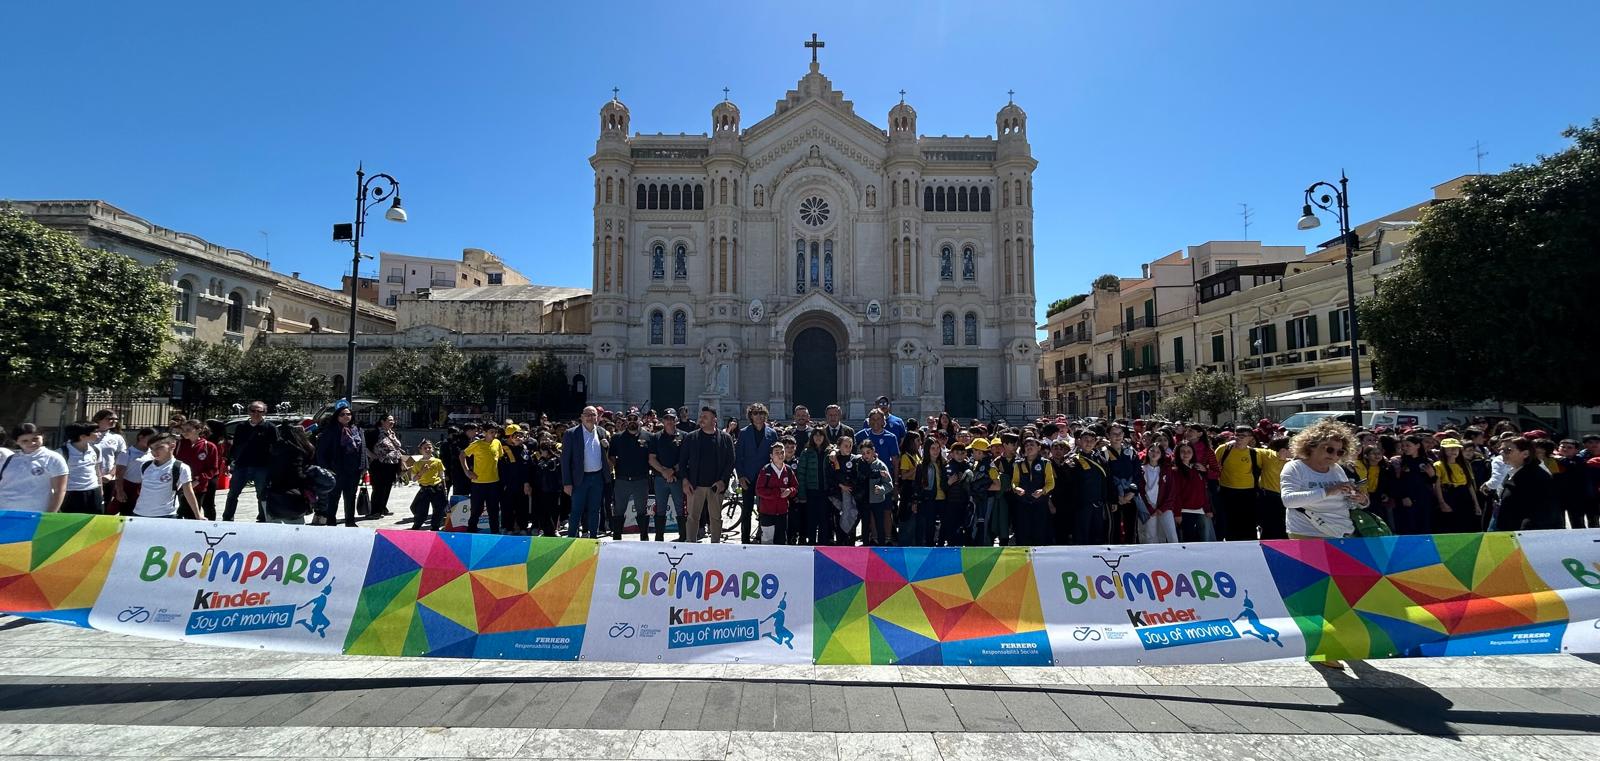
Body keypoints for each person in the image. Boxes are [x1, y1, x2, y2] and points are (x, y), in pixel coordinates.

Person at [1280, 419, 1367, 544]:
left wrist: (1361, 500)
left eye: (1340, 452)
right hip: (1307, 532)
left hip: (1342, 532)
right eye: (1329, 449)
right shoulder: (1295, 467)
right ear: (1311, 446)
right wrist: (1329, 490)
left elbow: (1346, 501)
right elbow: (1288, 500)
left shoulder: (1337, 469)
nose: (1334, 455)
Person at [679, 406, 734, 543]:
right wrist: (685, 481)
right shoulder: (691, 437)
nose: (701, 419)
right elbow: (682, 461)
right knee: (692, 517)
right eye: (701, 416)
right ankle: (690, 544)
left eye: (705, 417)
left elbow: (730, 462)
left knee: (716, 518)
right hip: (695, 485)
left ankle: (715, 545)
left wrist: (723, 481)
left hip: (716, 487)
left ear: (714, 419)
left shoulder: (725, 438)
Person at [314, 405, 368, 527]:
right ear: (337, 417)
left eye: (348, 414)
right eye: (342, 414)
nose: (346, 416)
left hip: (353, 470)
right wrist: (326, 469)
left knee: (350, 497)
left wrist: (364, 466)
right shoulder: (330, 431)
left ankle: (350, 521)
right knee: (333, 497)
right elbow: (321, 452)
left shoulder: (357, 430)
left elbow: (363, 449)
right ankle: (331, 521)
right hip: (335, 470)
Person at [735, 404, 780, 545]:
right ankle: (745, 541)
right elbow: (738, 457)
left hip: (766, 479)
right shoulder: (743, 433)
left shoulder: (772, 434)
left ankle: (762, 538)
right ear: (751, 416)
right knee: (746, 511)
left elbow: (776, 457)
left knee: (765, 511)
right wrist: (741, 476)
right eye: (755, 413)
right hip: (748, 478)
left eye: (761, 413)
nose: (759, 416)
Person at [224, 401, 277, 522]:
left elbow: (276, 447)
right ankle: (227, 517)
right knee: (233, 493)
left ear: (264, 412)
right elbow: (235, 446)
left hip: (262, 466)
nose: (256, 413)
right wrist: (228, 461)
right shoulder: (241, 427)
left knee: (262, 494)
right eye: (253, 411)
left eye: (259, 411)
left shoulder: (270, 428)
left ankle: (263, 518)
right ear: (248, 412)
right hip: (242, 465)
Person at [0, 423, 69, 513]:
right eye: (25, 441)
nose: (31, 443)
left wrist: (50, 515)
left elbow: (59, 490)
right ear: (17, 442)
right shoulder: (9, 459)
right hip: (5, 512)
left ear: (42, 437)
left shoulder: (53, 458)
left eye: (35, 439)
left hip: (35, 512)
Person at [131, 433, 202, 519]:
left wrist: (198, 515)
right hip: (139, 513)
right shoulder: (145, 466)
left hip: (167, 515)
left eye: (159, 447)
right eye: (152, 448)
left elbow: (188, 492)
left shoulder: (181, 467)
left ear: (172, 446)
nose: (154, 452)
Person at [1214, 426, 1266, 541]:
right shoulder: (1223, 449)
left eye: (1242, 436)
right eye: (1237, 435)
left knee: (1248, 523)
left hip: (1248, 493)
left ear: (1250, 438)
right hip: (1226, 491)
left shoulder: (1255, 453)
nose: (1238, 438)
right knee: (1228, 522)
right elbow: (1213, 466)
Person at [1498, 437, 1560, 530]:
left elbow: (1544, 511)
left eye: (1507, 450)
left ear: (1525, 454)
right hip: (1510, 530)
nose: (1501, 453)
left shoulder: (1536, 476)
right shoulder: (1513, 472)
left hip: (1526, 534)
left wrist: (1525, 532)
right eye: (1501, 449)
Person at [611, 413, 652, 540]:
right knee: (618, 511)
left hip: (641, 480)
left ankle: (644, 538)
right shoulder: (617, 437)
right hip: (622, 480)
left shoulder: (648, 436)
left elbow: (652, 457)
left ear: (639, 420)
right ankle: (617, 538)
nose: (632, 421)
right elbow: (611, 457)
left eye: (635, 418)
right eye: (629, 419)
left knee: (642, 511)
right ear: (626, 420)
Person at [264, 423, 316, 524]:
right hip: (292, 495)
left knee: (273, 528)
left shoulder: (272, 449)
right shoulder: (297, 451)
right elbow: (298, 474)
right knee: (296, 528)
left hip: (273, 494)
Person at [1160, 441, 1211, 543]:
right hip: (1184, 512)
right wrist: (1177, 513)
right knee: (1188, 541)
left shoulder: (1197, 469)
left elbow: (1203, 491)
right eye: (1182, 451)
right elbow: (1176, 494)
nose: (1186, 454)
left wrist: (1207, 509)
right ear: (1178, 453)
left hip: (1201, 511)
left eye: (1189, 451)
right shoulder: (1175, 471)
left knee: (1203, 541)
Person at [646, 411, 684, 542]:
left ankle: (683, 536)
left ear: (676, 420)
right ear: (663, 420)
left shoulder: (684, 436)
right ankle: (659, 538)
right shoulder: (655, 437)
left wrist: (672, 471)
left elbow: (685, 458)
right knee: (660, 508)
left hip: (677, 478)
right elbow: (651, 459)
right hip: (660, 479)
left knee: (680, 508)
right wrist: (664, 472)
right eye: (666, 418)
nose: (669, 421)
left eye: (672, 418)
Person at [460, 423, 504, 534]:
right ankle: (471, 532)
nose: (494, 434)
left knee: (493, 511)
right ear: (484, 433)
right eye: (491, 432)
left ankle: (495, 533)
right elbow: (462, 455)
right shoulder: (477, 444)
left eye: (495, 432)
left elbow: (500, 459)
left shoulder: (497, 443)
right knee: (476, 510)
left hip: (494, 482)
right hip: (478, 483)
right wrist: (467, 471)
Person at [1390, 435, 1437, 536]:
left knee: (1424, 527)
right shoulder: (1399, 462)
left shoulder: (1426, 461)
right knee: (1409, 527)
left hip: (1424, 499)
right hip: (1407, 499)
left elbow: (1432, 481)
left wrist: (1432, 474)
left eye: (1408, 445)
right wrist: (1403, 496)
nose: (1404, 448)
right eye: (1403, 446)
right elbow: (1396, 483)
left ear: (1417, 446)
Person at [1011, 437, 1055, 546]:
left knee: (1040, 533)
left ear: (1038, 447)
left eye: (1032, 445)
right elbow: (1014, 482)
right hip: (1023, 503)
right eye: (1026, 445)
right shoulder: (1018, 463)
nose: (1029, 447)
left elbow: (1050, 483)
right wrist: (1016, 489)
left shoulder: (1045, 463)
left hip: (1040, 504)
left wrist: (1043, 491)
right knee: (1023, 533)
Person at [173, 420, 221, 520]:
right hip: (180, 486)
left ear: (199, 430)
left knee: (194, 513)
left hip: (198, 486)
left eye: (188, 430)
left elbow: (213, 469)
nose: (184, 432)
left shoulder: (209, 446)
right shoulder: (178, 445)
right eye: (183, 430)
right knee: (179, 513)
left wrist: (198, 480)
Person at [1432, 438, 1482, 534]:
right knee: (1451, 526)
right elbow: (1437, 486)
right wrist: (1442, 502)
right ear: (1443, 450)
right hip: (1449, 495)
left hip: (1464, 496)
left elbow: (1469, 485)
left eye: (1456, 448)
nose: (1454, 451)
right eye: (1450, 448)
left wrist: (1476, 504)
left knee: (1466, 525)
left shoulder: (1465, 464)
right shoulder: (1438, 465)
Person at [58, 421, 104, 515]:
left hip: (93, 491)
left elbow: (97, 471)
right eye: (95, 432)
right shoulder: (61, 452)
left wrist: (100, 489)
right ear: (82, 436)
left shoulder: (96, 449)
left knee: (95, 519)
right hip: (72, 493)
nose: (99, 434)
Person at [754, 442, 797, 544]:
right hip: (767, 512)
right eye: (777, 452)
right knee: (767, 541)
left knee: (781, 541)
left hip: (782, 513)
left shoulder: (788, 470)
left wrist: (790, 491)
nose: (780, 455)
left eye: (782, 452)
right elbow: (759, 490)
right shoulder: (765, 470)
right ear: (771, 456)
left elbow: (795, 487)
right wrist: (777, 493)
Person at [796, 427, 832, 546]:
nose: (818, 437)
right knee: (811, 519)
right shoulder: (806, 452)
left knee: (824, 519)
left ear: (824, 437)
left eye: (820, 435)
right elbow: (801, 474)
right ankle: (811, 542)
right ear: (812, 437)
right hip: (811, 491)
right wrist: (802, 493)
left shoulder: (829, 452)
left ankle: (823, 543)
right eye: (815, 435)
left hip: (825, 491)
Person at [111, 427, 156, 516]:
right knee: (118, 512)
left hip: (144, 488)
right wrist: (120, 491)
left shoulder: (153, 453)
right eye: (150, 438)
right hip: (128, 487)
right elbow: (119, 474)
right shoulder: (127, 453)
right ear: (141, 437)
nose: (152, 442)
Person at [367, 414, 404, 519]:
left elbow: (397, 448)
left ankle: (382, 507)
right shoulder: (374, 433)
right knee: (378, 488)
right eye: (389, 420)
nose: (392, 422)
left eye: (393, 420)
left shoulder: (391, 433)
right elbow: (365, 446)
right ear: (382, 421)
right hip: (379, 465)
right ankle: (375, 511)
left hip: (392, 465)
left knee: (387, 487)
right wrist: (372, 455)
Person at [499, 425, 534, 535]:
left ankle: (523, 527)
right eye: (515, 435)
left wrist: (527, 482)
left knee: (522, 506)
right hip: (507, 483)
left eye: (520, 435)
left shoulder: (524, 448)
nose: (518, 438)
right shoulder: (502, 448)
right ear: (509, 436)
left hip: (521, 483)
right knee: (507, 506)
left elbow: (527, 466)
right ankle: (507, 527)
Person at [406, 439, 448, 530]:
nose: (428, 449)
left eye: (429, 447)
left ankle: (435, 527)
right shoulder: (417, 464)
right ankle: (417, 526)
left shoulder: (437, 461)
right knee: (419, 509)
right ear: (420, 450)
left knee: (439, 509)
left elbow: (442, 476)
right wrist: (422, 472)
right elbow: (413, 479)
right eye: (425, 448)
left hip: (437, 488)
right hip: (424, 489)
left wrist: (445, 488)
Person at [90, 409, 126, 507]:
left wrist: (110, 474)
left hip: (108, 479)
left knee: (105, 506)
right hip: (90, 477)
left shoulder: (117, 438)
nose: (114, 421)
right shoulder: (88, 435)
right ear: (99, 419)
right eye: (110, 418)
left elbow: (120, 460)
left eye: (116, 419)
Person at [1354, 444, 1395, 527]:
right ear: (1366, 455)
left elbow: (1390, 484)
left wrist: (1387, 494)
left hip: (1378, 498)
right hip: (1365, 496)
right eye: (1373, 453)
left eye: (1379, 453)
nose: (1377, 455)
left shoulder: (1385, 468)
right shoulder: (1361, 467)